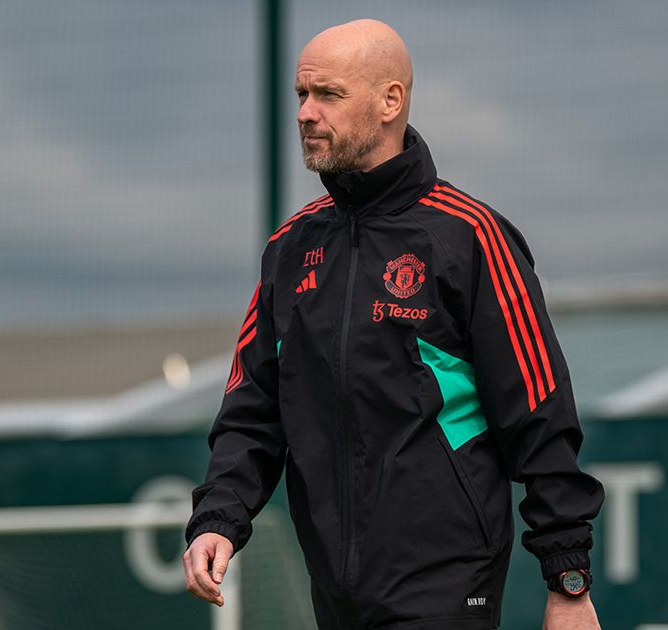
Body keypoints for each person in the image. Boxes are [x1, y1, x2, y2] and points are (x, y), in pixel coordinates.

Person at [182, 19, 605, 630]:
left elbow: (538, 413)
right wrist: (219, 518)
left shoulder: (470, 237)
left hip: (446, 581)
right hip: (333, 589)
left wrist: (569, 580)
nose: (306, 113)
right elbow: (253, 408)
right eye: (301, 96)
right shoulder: (291, 248)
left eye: (327, 95)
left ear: (390, 102)